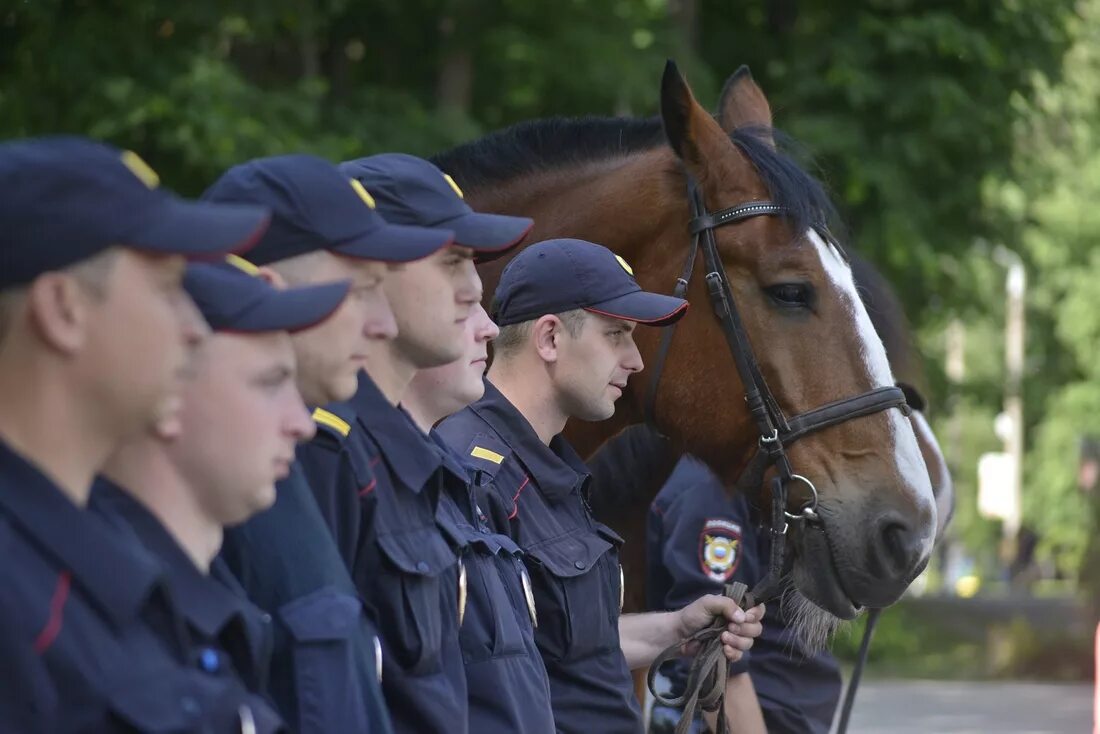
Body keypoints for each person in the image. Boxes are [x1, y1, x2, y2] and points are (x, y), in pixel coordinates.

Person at [436, 238, 765, 734]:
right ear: (549, 338)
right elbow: (482, 682)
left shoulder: (546, 469)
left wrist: (676, 629)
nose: (635, 360)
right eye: (617, 334)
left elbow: (560, 642)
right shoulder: (474, 474)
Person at [0, 136, 271, 729]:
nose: (197, 328)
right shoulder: (19, 599)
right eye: (169, 287)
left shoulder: (97, 557)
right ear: (63, 309)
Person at [204, 153, 452, 733]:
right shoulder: (215, 481)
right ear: (267, 291)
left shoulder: (282, 471)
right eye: (360, 291)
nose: (384, 324)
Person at [298, 152, 535, 734]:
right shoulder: (325, 453)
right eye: (452, 261)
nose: (474, 289)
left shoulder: (419, 459)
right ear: (376, 269)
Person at [89, 261, 351, 732]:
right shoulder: (94, 625)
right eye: (270, 383)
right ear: (166, 393)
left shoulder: (213, 605)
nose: (303, 423)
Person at [647, 455, 841, 734]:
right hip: (738, 721)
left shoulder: (758, 476)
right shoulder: (710, 494)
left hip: (787, 713)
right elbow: (713, 657)